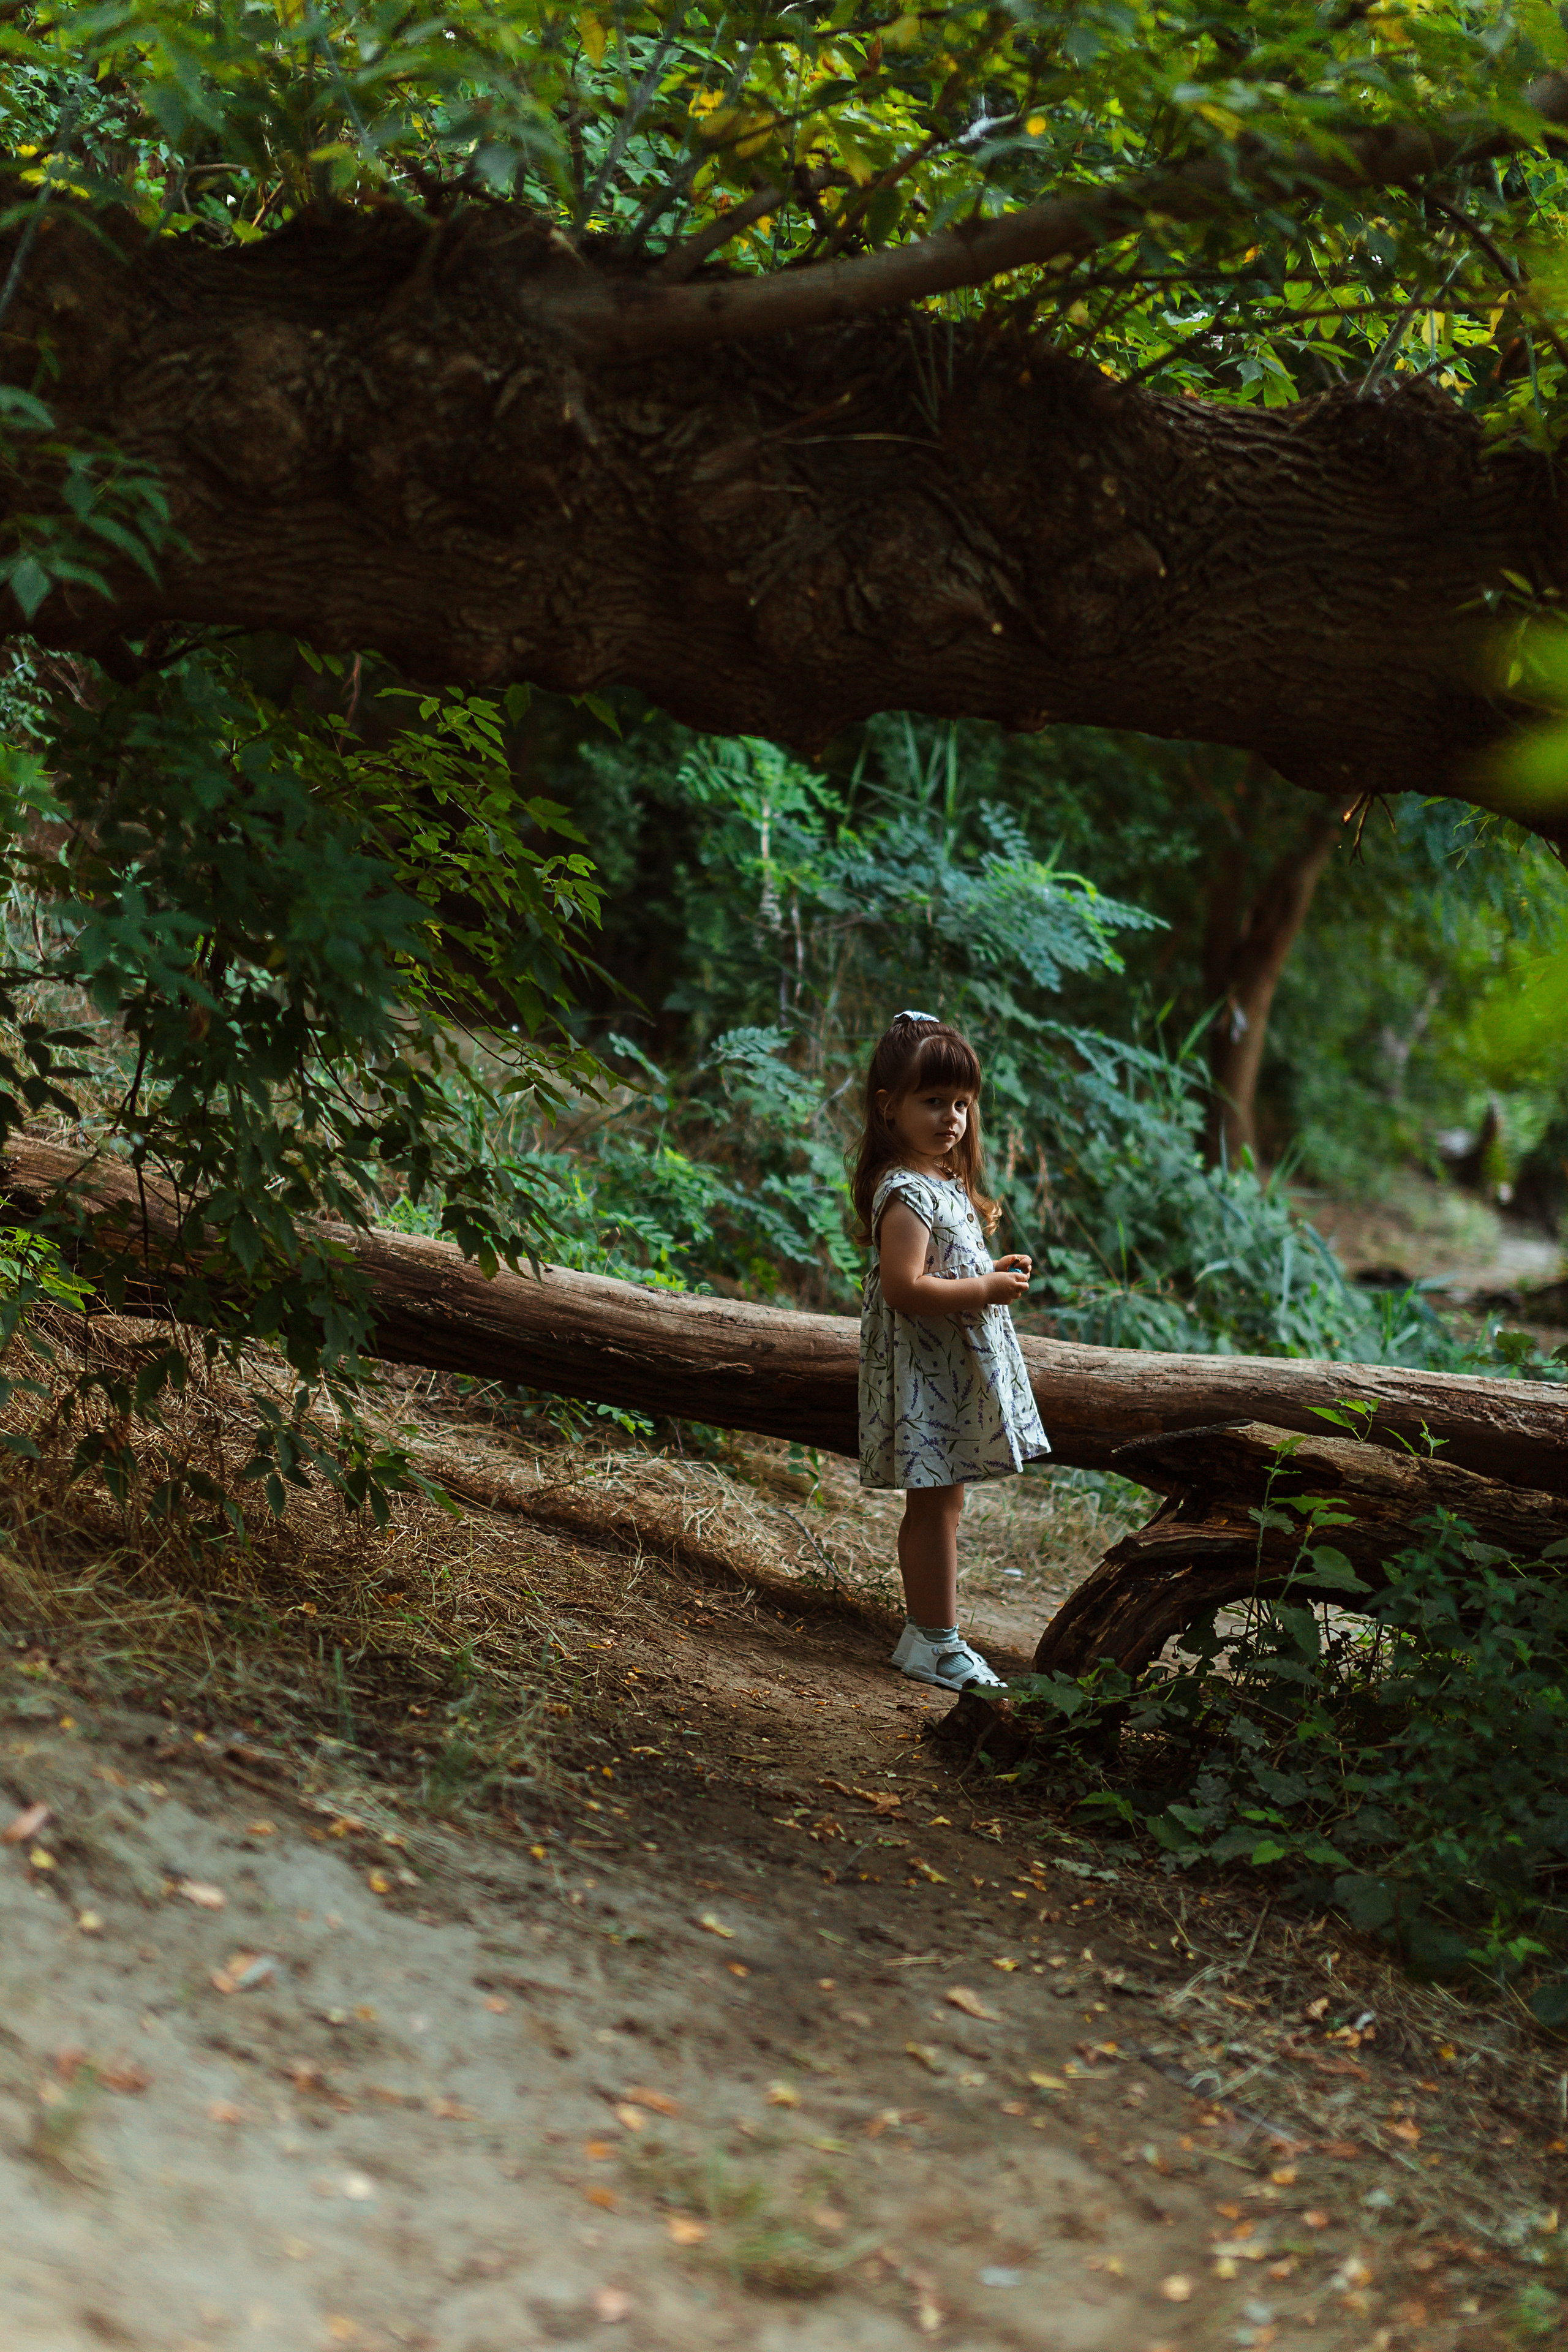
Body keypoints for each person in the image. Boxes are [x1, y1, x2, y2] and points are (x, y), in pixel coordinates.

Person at [853, 1009, 1051, 1692]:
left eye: (961, 1103)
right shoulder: (904, 1192)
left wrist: (988, 1268)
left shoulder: (940, 1181)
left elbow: (942, 1266)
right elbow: (907, 1288)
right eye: (932, 1101)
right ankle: (935, 1641)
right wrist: (985, 1289)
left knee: (945, 1503)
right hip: (924, 1376)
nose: (951, 1117)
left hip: (945, 1373)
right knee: (933, 1506)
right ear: (889, 1108)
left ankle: (927, 1634)